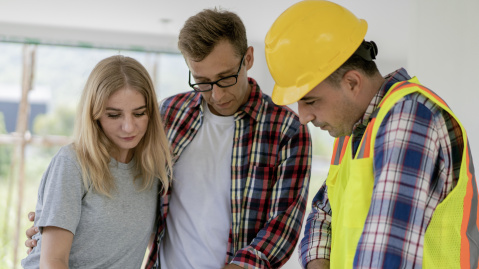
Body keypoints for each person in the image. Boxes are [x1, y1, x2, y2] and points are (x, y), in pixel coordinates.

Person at [25, 8, 312, 269]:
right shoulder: (170, 113)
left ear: (248, 58)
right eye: (202, 81)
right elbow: (118, 186)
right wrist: (57, 221)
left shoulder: (287, 130)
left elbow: (282, 228)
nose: (217, 94)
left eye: (226, 78)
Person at [264, 0, 479, 268]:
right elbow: (322, 214)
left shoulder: (409, 118)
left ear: (352, 82)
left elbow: (385, 257)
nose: (304, 116)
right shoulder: (353, 131)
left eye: (311, 101)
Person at [21, 55, 173, 268]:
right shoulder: (72, 163)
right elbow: (53, 261)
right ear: (94, 115)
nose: (129, 126)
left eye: (139, 113)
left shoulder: (151, 170)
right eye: (114, 115)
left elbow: (156, 246)